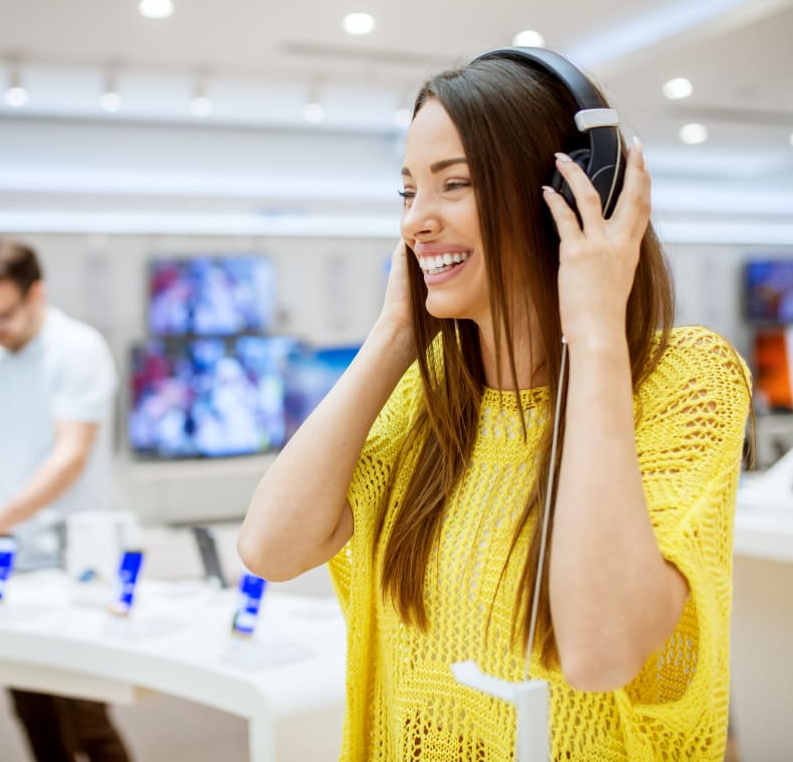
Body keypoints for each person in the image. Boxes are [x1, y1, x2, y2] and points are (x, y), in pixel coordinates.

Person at [237, 48, 751, 761]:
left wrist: (594, 329)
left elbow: (601, 652)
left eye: (456, 185)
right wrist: (394, 331)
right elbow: (270, 547)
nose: (417, 221)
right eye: (408, 192)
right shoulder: (429, 389)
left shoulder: (681, 379)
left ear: (574, 195)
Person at [0, 240, 132, 762]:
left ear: (37, 293)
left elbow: (70, 456)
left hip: (75, 554)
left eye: (5, 314)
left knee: (87, 713)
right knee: (31, 709)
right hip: (6, 557)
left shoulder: (78, 349)